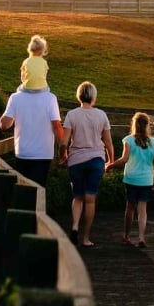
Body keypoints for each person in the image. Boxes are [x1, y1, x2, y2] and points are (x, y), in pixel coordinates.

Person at [62, 80, 113, 247]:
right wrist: (111, 161)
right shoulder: (101, 115)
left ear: (79, 96)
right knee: (90, 199)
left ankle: (75, 227)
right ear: (93, 96)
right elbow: (108, 142)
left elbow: (64, 141)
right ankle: (85, 238)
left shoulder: (72, 114)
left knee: (77, 196)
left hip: (76, 160)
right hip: (96, 159)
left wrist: (64, 156)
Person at [110, 112, 154, 248]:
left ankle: (126, 236)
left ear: (134, 124)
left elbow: (125, 159)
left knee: (130, 207)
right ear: (147, 125)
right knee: (143, 210)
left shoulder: (128, 140)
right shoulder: (153, 143)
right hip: (146, 179)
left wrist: (111, 165)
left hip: (132, 178)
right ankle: (141, 237)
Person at [0, 83, 62, 187]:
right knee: (38, 188)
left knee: (23, 188)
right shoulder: (51, 98)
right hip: (44, 154)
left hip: (22, 152)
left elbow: (4, 125)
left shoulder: (15, 98)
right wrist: (63, 146)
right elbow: (57, 126)